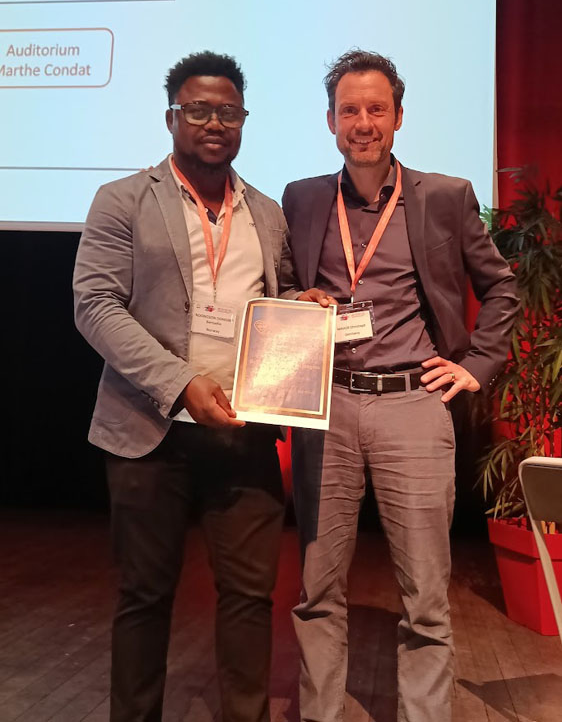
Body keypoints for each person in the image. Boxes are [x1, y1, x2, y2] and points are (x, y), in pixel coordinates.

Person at [73, 50, 327, 722]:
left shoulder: (266, 212)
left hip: (245, 430)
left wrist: (303, 306)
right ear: (171, 118)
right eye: (198, 110)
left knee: (250, 599)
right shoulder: (123, 200)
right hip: (146, 430)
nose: (215, 123)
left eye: (228, 112)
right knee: (144, 596)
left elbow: (273, 299)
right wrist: (181, 383)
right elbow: (95, 305)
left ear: (243, 121)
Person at [282, 49, 519, 722]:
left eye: (376, 109)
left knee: (425, 596)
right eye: (349, 110)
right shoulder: (302, 197)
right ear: (330, 121)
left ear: (399, 117)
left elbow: (501, 289)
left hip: (413, 404)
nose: (363, 122)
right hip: (327, 404)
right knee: (317, 590)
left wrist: (475, 365)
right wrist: (297, 299)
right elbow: (280, 284)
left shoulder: (444, 195)